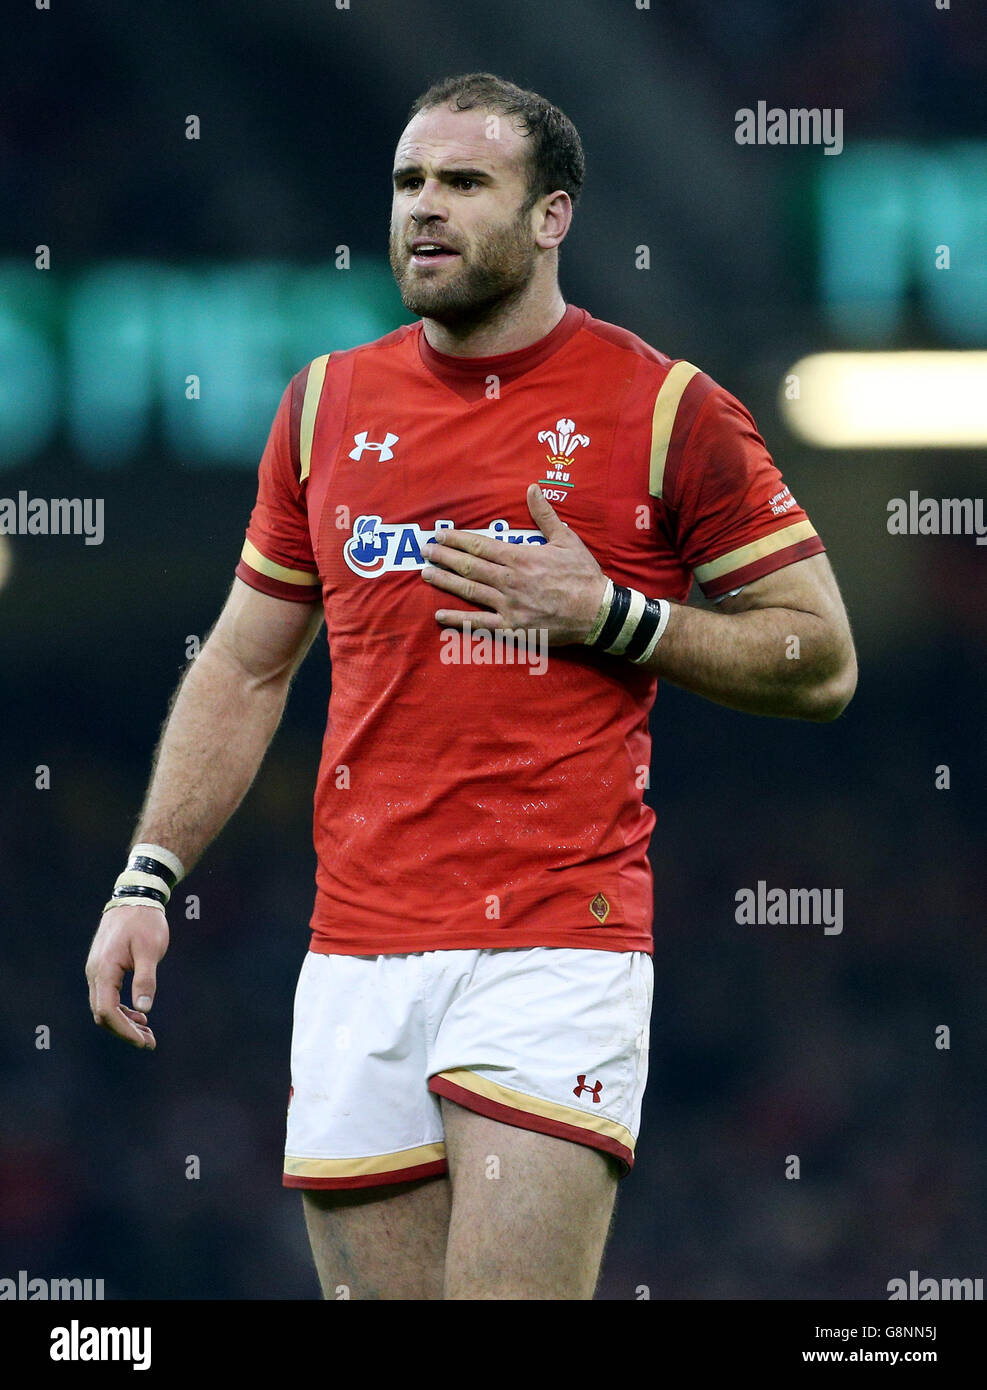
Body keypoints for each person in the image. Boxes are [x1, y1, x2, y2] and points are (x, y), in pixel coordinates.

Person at [85, 71, 857, 1301]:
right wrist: (147, 875)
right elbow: (243, 661)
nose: (423, 210)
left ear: (552, 215)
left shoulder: (666, 409)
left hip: (556, 944)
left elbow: (819, 658)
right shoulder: (325, 405)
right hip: (355, 955)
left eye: (462, 183)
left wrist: (613, 613)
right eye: (407, 183)